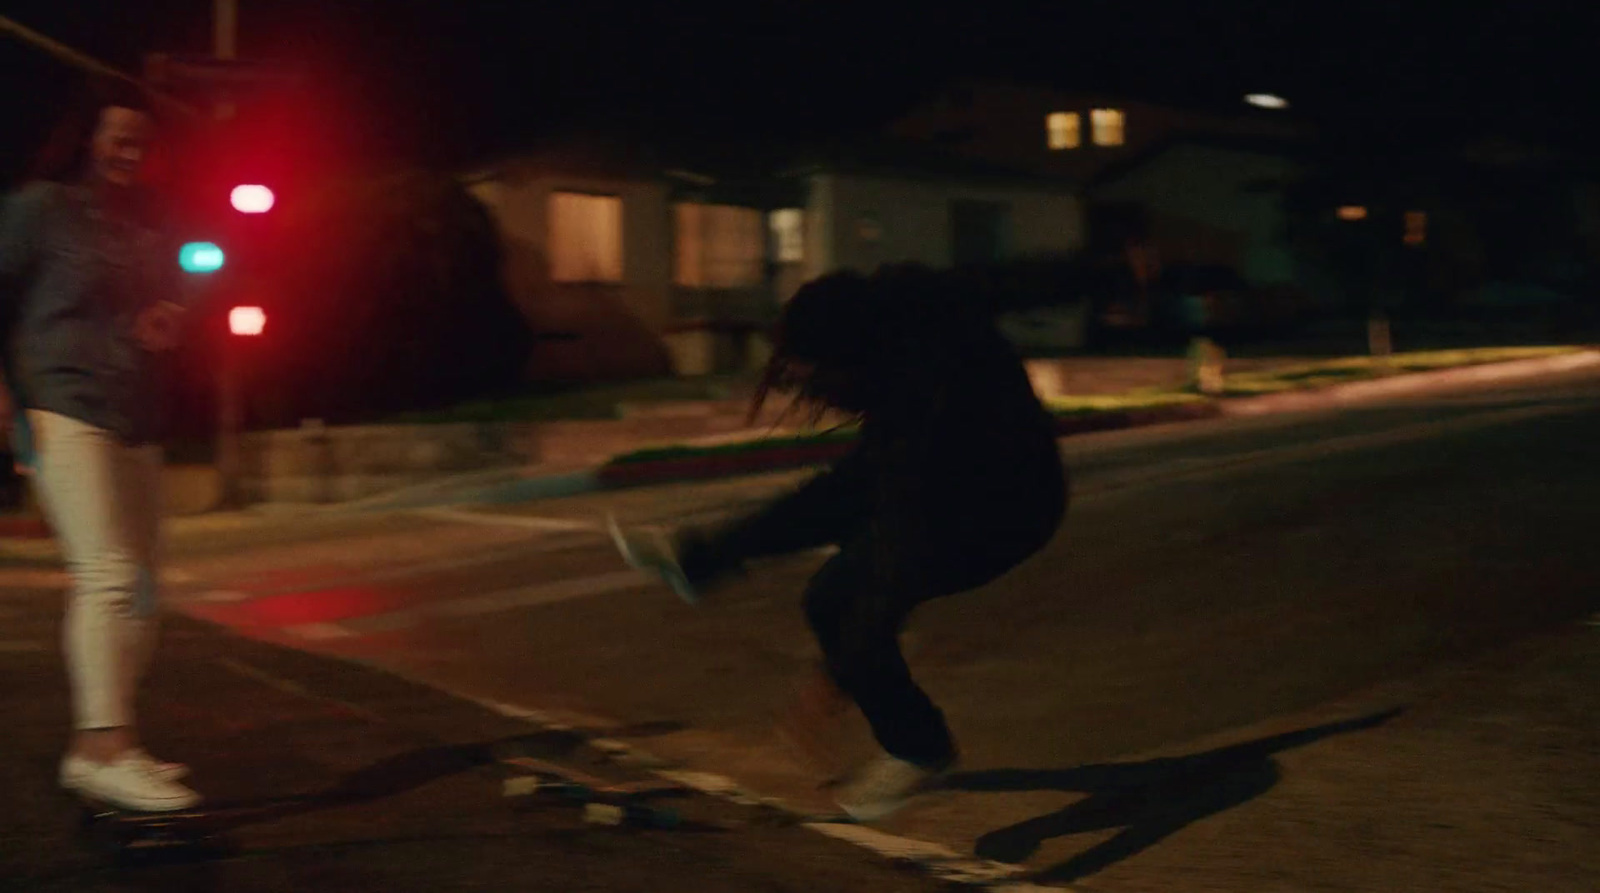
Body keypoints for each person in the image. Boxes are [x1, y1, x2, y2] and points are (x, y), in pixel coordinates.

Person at [612, 264, 1068, 821]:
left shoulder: (922, 395)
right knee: (833, 521)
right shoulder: (909, 314)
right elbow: (1025, 281)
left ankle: (919, 748)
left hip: (1005, 508)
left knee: (839, 598)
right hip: (950, 476)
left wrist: (835, 676)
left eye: (820, 379)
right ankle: (700, 561)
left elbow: (902, 553)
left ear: (849, 355)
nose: (818, 396)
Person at [0, 82, 198, 811]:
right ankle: (102, 745)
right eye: (118, 136)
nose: (130, 151)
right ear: (87, 137)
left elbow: (162, 305)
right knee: (108, 574)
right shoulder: (39, 209)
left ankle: (116, 743)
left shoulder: (144, 226)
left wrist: (170, 319)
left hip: (137, 414)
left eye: (142, 141)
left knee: (143, 591)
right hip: (60, 406)